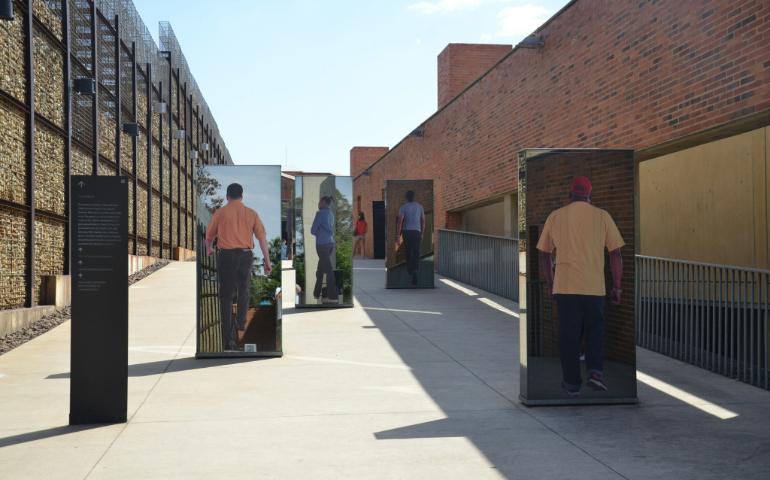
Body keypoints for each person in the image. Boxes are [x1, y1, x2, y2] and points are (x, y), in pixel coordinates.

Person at [536, 176, 624, 396]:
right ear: (589, 195)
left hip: (565, 287)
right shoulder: (602, 216)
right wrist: (617, 286)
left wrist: (550, 283)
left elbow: (544, 254)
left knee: (568, 336)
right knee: (595, 331)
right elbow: (616, 254)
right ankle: (595, 373)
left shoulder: (556, 216)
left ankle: (572, 383)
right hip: (594, 287)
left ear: (570, 194)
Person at [205, 183, 272, 351]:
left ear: (227, 196)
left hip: (226, 256)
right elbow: (262, 239)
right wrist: (267, 260)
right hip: (245, 255)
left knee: (226, 296)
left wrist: (209, 248)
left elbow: (209, 236)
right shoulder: (251, 214)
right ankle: (241, 322)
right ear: (241, 196)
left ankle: (228, 339)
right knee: (244, 289)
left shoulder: (220, 213)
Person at [311, 195, 338, 303]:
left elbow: (313, 230)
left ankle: (333, 295)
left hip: (322, 245)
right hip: (330, 243)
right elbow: (329, 229)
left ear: (323, 202)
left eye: (319, 201)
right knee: (321, 269)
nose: (318, 203)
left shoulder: (320, 214)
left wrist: (319, 233)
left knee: (328, 270)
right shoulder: (331, 214)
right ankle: (316, 293)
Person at [395, 190, 426, 286]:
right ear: (414, 196)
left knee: (408, 251)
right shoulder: (420, 206)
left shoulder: (403, 207)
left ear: (406, 197)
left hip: (406, 232)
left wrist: (398, 235)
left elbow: (400, 222)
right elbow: (423, 221)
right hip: (416, 231)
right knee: (416, 251)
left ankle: (410, 270)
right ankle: (415, 270)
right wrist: (422, 233)